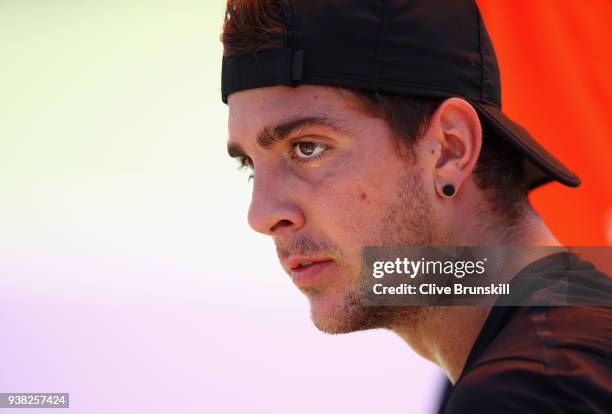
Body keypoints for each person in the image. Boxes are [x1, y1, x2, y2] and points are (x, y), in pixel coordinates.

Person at [219, 1, 612, 412]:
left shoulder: (530, 392)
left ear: (449, 150)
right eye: (249, 165)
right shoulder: (566, 353)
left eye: (307, 148)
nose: (261, 215)